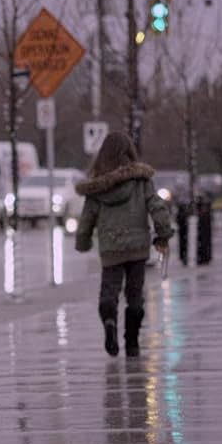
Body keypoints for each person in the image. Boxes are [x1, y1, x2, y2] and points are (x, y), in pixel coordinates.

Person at [75, 132, 174, 357]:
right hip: (138, 246)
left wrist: (83, 241)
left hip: (111, 246)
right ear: (129, 151)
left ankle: (110, 321)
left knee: (109, 291)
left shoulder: (96, 187)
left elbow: (87, 217)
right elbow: (157, 207)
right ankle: (132, 342)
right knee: (135, 295)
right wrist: (163, 234)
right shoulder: (141, 181)